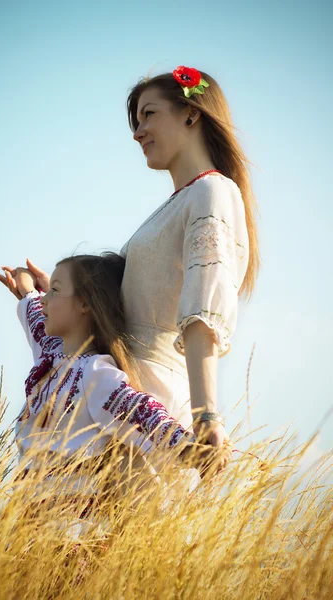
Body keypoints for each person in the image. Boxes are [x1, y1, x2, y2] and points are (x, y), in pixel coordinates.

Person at [119, 65, 260, 471]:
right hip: (129, 396)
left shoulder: (211, 192)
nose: (137, 131)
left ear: (190, 114)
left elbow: (202, 309)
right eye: (136, 120)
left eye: (149, 114)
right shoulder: (182, 201)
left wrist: (205, 416)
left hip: (158, 398)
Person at [0, 253, 203, 505]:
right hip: (26, 525)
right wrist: (27, 288)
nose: (45, 300)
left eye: (55, 291)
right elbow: (34, 313)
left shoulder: (95, 373)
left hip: (72, 529)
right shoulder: (50, 353)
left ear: (85, 304)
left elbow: (142, 412)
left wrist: (193, 450)